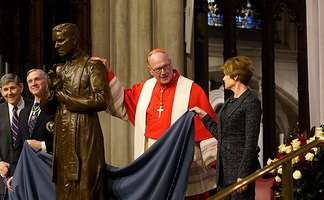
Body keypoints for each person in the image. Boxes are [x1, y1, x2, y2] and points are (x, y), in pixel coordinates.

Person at [92, 49, 218, 200]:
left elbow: (207, 127)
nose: (164, 72)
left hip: (178, 157)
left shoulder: (191, 89)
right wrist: (107, 73)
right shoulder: (145, 88)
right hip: (151, 157)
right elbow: (124, 101)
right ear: (150, 70)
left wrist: (214, 161)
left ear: (171, 63)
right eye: (158, 69)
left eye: (166, 66)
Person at [47, 23, 110, 200]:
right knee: (64, 188)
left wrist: (68, 100)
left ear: (74, 40)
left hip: (84, 134)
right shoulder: (61, 69)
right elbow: (47, 109)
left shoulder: (92, 66)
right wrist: (50, 89)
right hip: (62, 135)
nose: (56, 45)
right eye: (55, 42)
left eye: (61, 40)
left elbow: (101, 100)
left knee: (85, 187)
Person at [190, 56, 261, 200]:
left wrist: (243, 174)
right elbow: (221, 135)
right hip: (224, 171)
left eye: (226, 75)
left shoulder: (251, 102)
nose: (223, 78)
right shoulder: (230, 101)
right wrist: (204, 116)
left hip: (239, 172)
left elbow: (251, 142)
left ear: (236, 76)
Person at [6, 69, 55, 192]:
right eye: (30, 81)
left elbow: (67, 142)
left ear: (47, 82)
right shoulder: (24, 112)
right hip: (27, 172)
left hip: (49, 170)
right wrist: (14, 174)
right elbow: (18, 147)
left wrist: (42, 145)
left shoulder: (57, 108)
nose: (33, 83)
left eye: (37, 79)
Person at [0, 74, 32, 200]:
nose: (9, 93)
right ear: (1, 91)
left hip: (31, 173)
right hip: (6, 178)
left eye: (12, 88)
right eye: (5, 90)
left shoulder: (33, 107)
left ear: (21, 87)